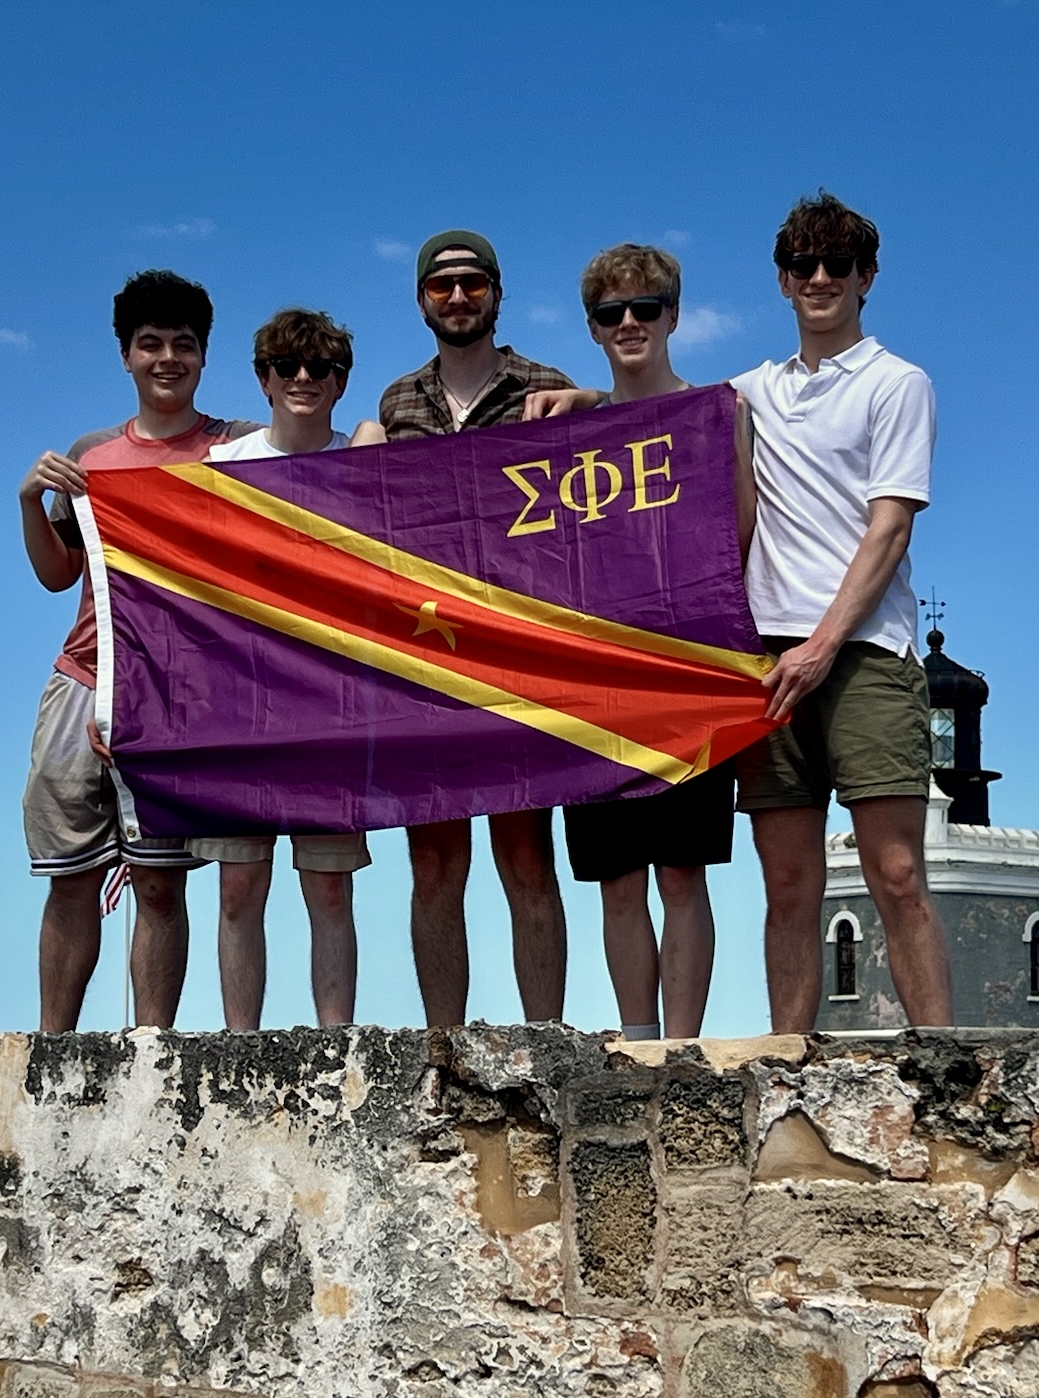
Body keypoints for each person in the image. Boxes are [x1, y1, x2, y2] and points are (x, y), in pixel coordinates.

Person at [733, 193, 954, 1033]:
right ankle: (786, 1064)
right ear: (783, 281)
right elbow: (656, 412)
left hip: (862, 655)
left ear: (866, 277)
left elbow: (890, 526)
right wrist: (581, 405)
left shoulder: (898, 384)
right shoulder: (749, 390)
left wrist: (824, 645)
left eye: (836, 264)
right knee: (787, 883)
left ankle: (942, 1065)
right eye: (802, 264)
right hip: (766, 656)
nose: (819, 278)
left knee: (896, 874)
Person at [17, 270, 254, 1034]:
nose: (167, 359)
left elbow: (328, 455)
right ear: (125, 355)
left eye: (183, 345)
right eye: (150, 344)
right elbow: (59, 576)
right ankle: (53, 1045)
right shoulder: (92, 455)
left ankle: (150, 1049)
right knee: (70, 880)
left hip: (176, 693)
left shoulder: (234, 447)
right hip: (83, 677)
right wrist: (29, 500)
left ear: (204, 356)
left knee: (159, 885)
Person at [377, 231, 578, 1030]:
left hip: (518, 654)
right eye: (442, 287)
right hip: (423, 659)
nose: (457, 298)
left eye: (472, 284)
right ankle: (443, 1047)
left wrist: (592, 405)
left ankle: (544, 1037)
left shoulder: (548, 386)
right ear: (422, 299)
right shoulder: (396, 404)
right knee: (433, 863)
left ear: (497, 293)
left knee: (528, 857)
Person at [558, 245, 750, 1042]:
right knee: (614, 879)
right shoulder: (571, 427)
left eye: (645, 308)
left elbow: (739, 527)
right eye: (612, 313)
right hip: (592, 679)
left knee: (682, 871)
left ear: (673, 314)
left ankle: (684, 1045)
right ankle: (637, 1040)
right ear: (595, 328)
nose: (629, 323)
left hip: (687, 671)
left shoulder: (718, 411)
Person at [189, 309, 385, 1032]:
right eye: (287, 367)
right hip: (241, 704)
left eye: (321, 369)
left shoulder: (364, 459)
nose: (304, 379)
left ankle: (336, 1046)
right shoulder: (219, 469)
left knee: (328, 889)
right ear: (264, 379)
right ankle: (240, 1046)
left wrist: (372, 440)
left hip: (332, 705)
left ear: (339, 383)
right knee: (239, 886)